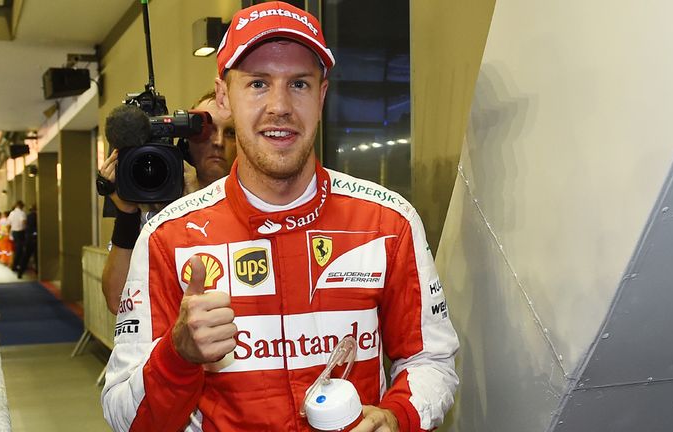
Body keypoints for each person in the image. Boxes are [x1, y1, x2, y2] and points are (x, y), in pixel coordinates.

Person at [101, 3, 459, 431]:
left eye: (300, 84)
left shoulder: (388, 222)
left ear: (322, 95)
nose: (280, 106)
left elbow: (430, 361)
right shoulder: (167, 237)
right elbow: (124, 416)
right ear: (223, 97)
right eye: (257, 83)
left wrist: (395, 415)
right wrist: (177, 356)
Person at [99, 90, 236, 314]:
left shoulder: (253, 202)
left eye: (230, 132)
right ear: (186, 140)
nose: (219, 142)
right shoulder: (156, 205)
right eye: (206, 131)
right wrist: (126, 214)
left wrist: (193, 200)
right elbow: (117, 300)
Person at [17, 205, 38, 278]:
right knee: (36, 256)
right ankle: (38, 272)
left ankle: (20, 272)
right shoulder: (35, 217)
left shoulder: (28, 216)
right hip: (34, 239)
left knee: (26, 256)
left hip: (29, 239)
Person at [8, 201, 26, 271]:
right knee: (20, 250)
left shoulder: (12, 213)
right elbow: (23, 222)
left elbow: (9, 224)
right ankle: (16, 265)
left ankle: (16, 264)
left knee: (16, 249)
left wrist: (10, 233)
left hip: (14, 233)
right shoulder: (22, 213)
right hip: (20, 232)